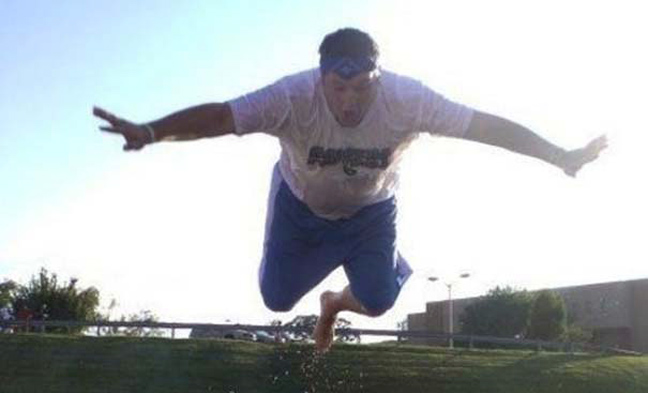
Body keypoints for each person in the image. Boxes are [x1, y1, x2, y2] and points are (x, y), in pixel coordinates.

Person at [94, 28, 606, 351]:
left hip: (371, 213)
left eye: (362, 88)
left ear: (377, 79)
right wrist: (153, 131)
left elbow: (484, 127)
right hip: (300, 209)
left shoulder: (408, 100)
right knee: (275, 299)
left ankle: (336, 303)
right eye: (338, 89)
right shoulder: (292, 96)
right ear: (321, 80)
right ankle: (336, 289)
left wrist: (558, 155)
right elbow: (222, 118)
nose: (349, 102)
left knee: (379, 300)